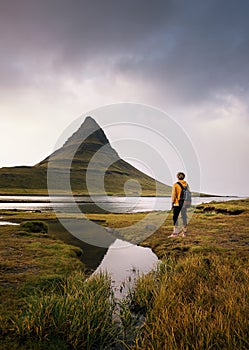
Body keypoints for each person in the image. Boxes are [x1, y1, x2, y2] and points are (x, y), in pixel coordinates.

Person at [169, 172, 190, 237]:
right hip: (184, 203)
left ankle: (175, 232)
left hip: (177, 203)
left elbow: (173, 195)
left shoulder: (175, 185)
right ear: (184, 177)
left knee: (175, 217)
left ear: (177, 177)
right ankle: (184, 232)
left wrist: (172, 203)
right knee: (184, 217)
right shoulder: (186, 185)